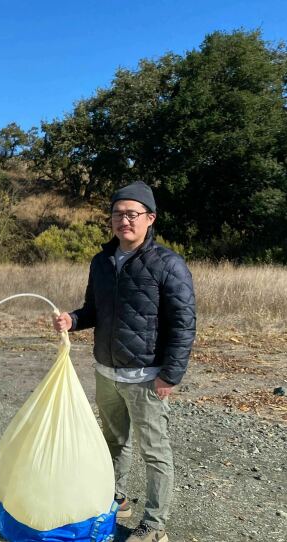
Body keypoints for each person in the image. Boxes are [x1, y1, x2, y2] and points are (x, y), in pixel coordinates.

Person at [53, 181, 196, 542]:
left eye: (132, 214)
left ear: (150, 218)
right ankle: (115, 498)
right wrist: (72, 319)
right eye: (117, 214)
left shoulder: (168, 264)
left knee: (155, 451)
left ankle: (154, 524)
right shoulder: (101, 262)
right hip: (106, 371)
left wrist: (170, 375)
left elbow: (183, 323)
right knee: (113, 441)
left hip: (148, 377)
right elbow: (92, 310)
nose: (123, 221)